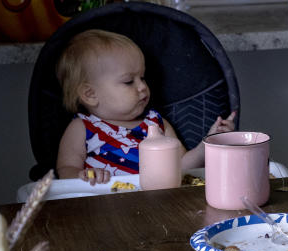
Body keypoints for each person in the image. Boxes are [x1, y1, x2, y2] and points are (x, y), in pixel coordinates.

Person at [54, 29, 236, 183]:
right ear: (90, 94)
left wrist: (207, 145)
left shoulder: (156, 124)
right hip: (103, 207)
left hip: (156, 204)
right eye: (128, 81)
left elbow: (180, 167)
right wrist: (83, 177)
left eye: (142, 77)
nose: (142, 86)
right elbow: (65, 169)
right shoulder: (82, 128)